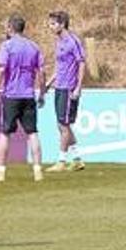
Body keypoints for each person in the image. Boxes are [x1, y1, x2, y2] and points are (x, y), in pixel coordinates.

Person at [0, 13, 46, 182]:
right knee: (32, 133)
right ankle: (37, 171)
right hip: (28, 95)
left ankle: (0, 171)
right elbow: (41, 72)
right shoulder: (33, 47)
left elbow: (1, 69)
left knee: (5, 133)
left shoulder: (7, 46)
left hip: (11, 95)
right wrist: (41, 92)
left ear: (11, 28)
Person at [43, 10, 87, 173]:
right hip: (59, 86)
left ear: (62, 24)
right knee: (62, 125)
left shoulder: (72, 41)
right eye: (50, 23)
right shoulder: (59, 42)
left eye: (53, 23)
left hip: (69, 87)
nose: (50, 26)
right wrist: (49, 82)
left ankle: (61, 161)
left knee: (64, 124)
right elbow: (60, 66)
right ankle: (77, 159)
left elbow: (81, 63)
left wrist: (78, 87)